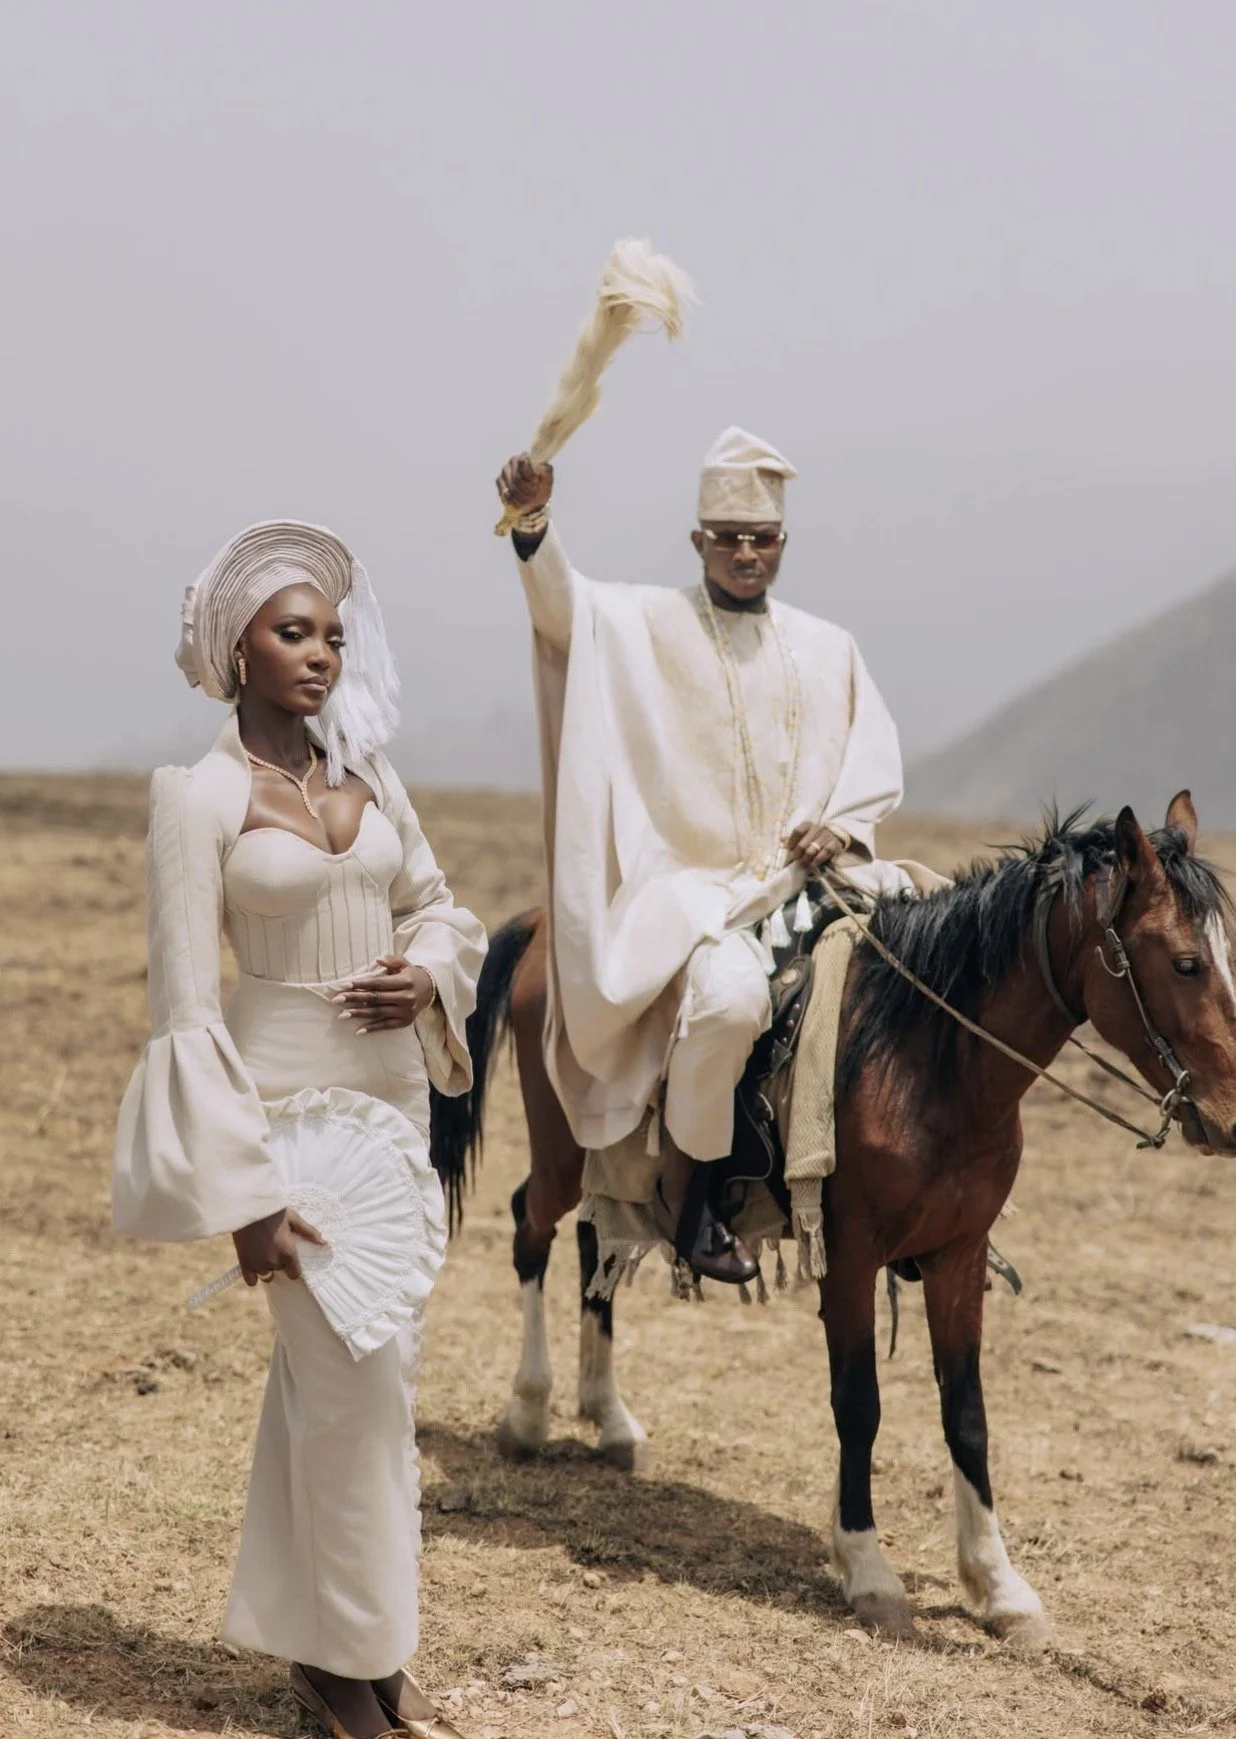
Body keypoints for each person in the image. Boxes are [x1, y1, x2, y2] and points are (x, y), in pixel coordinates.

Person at [113, 521, 486, 1739]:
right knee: (356, 1390)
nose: (322, 653)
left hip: (394, 1110)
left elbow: (436, 905)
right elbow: (183, 1009)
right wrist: (243, 1195)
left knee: (367, 1376)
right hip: (285, 1124)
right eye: (293, 632)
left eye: (332, 633)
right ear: (240, 649)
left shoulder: (372, 771)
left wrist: (425, 975)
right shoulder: (199, 798)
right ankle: (353, 1666)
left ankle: (341, 1640)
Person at [496, 428, 910, 1285]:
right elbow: (564, 612)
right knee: (727, 1003)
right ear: (698, 542)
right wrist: (533, 525)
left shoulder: (829, 646)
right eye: (727, 538)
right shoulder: (647, 622)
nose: (745, 553)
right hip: (693, 893)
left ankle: (918, 1196)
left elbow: (871, 756)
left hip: (812, 882)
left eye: (760, 538)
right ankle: (690, 1198)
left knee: (929, 971)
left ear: (782, 543)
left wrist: (839, 826)